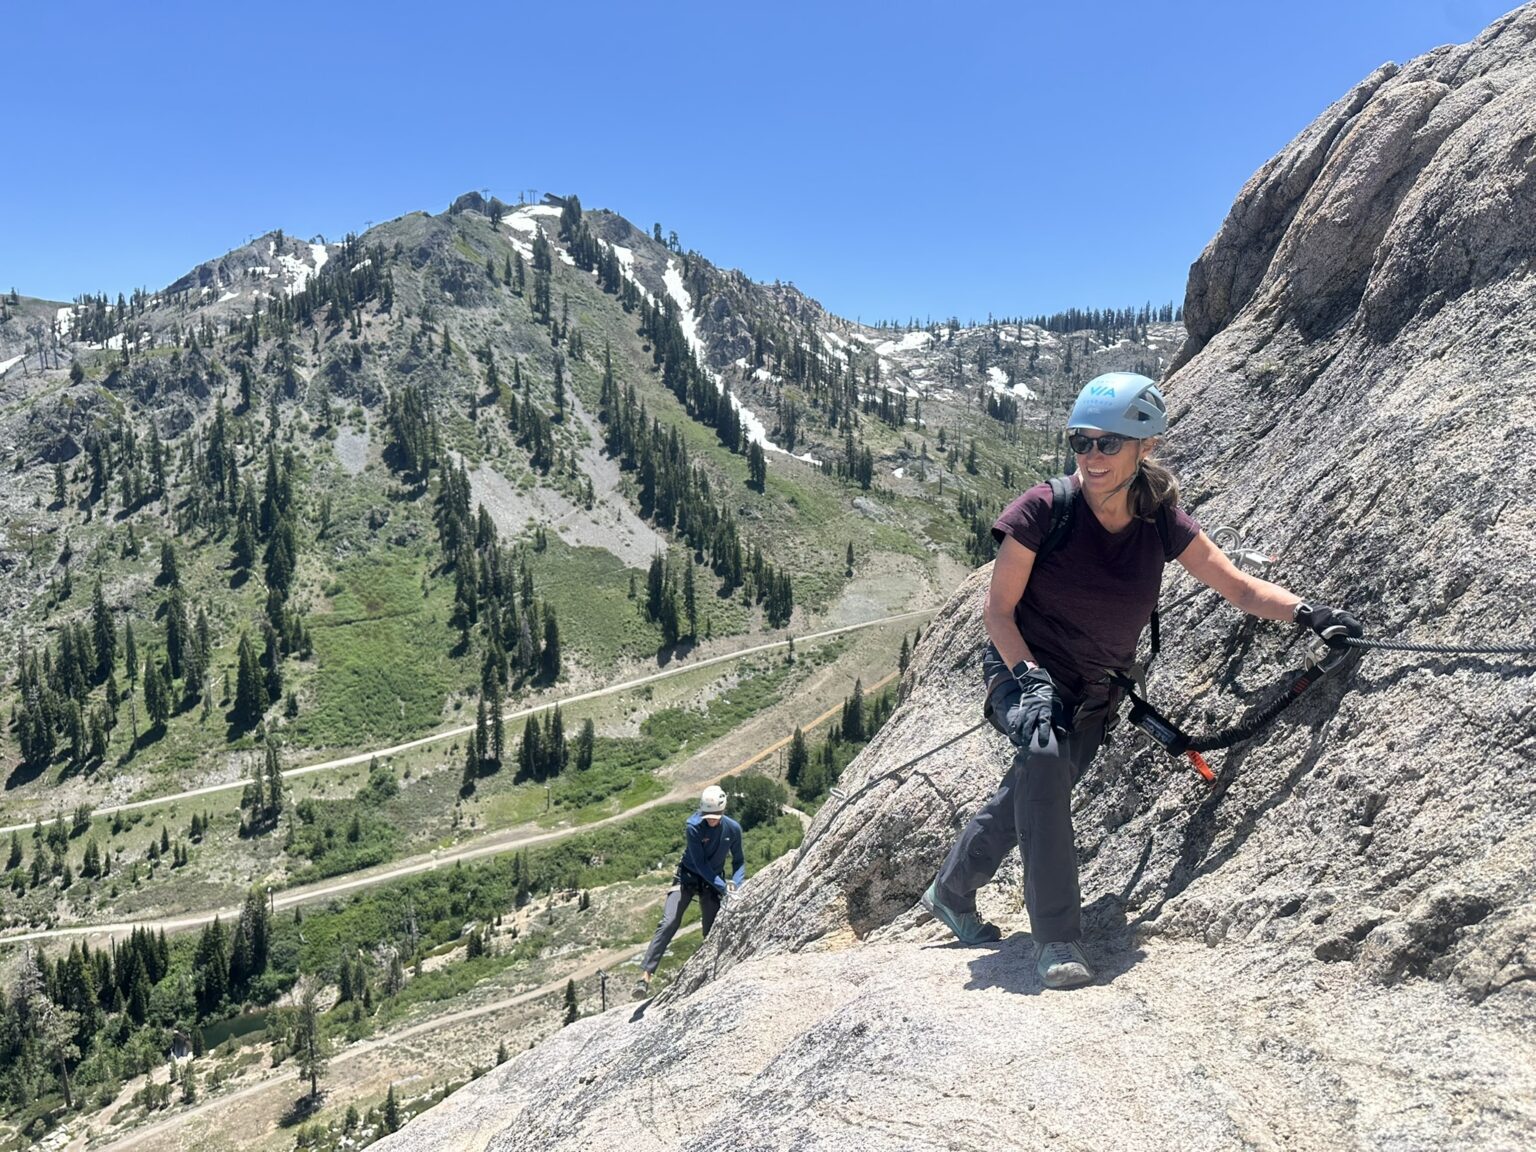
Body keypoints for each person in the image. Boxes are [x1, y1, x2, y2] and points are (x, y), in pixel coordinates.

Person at [922, 372, 1362, 989]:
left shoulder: (1160, 522)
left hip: (1096, 685)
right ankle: (1056, 938)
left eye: (1108, 443)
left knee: (1032, 786)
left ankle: (950, 890)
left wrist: (1307, 613)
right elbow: (998, 612)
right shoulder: (1044, 509)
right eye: (1081, 442)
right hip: (1024, 666)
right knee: (1043, 759)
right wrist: (1029, 681)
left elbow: (1236, 586)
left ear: (1144, 446)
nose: (1091, 457)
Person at [634, 784, 746, 997]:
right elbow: (701, 864)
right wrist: (724, 887)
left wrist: (736, 884)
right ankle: (644, 977)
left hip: (711, 883)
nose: (711, 820)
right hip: (687, 878)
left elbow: (739, 862)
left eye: (715, 816)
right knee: (669, 922)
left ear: (722, 811)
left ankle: (706, 974)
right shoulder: (693, 826)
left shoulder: (733, 829)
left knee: (711, 930)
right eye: (707, 816)